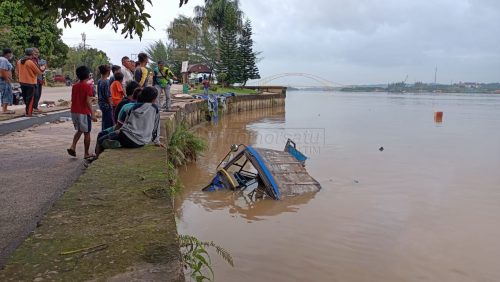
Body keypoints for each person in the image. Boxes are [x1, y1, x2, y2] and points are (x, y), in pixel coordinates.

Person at [95, 86, 163, 157]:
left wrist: (117, 132)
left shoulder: (133, 108)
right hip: (142, 142)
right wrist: (157, 141)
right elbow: (156, 127)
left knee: (100, 140)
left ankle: (96, 157)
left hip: (127, 138)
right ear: (154, 99)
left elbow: (125, 124)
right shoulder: (155, 109)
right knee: (113, 138)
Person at [67, 66, 97, 160]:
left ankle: (73, 146)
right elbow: (88, 102)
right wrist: (93, 114)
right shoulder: (88, 87)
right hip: (83, 112)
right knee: (87, 133)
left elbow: (73, 99)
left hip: (74, 111)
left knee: (80, 130)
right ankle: (86, 153)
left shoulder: (74, 86)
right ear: (88, 75)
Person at [16, 48, 44, 117]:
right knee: (30, 99)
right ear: (31, 54)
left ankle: (27, 111)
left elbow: (17, 72)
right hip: (30, 82)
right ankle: (28, 113)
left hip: (22, 82)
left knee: (25, 98)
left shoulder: (19, 61)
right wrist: (43, 68)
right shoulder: (30, 62)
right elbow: (39, 72)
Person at [97, 64, 114, 129]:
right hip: (107, 104)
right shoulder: (107, 82)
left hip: (101, 103)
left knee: (104, 121)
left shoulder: (99, 81)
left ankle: (103, 134)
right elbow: (108, 95)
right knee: (109, 122)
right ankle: (106, 136)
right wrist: (111, 105)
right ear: (108, 72)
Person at [0, 48, 15, 114]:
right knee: (5, 94)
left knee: (7, 93)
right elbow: (2, 70)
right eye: (11, 53)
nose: (11, 55)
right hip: (4, 80)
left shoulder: (5, 60)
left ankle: (5, 108)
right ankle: (4, 110)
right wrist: (7, 79)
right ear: (8, 53)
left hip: (5, 79)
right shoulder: (3, 60)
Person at [32, 47, 45, 113]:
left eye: (37, 53)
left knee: (39, 94)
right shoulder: (31, 61)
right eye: (35, 53)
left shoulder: (40, 60)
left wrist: (43, 67)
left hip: (40, 79)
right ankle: (33, 107)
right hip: (34, 79)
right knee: (35, 94)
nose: (37, 54)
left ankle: (35, 107)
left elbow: (42, 69)